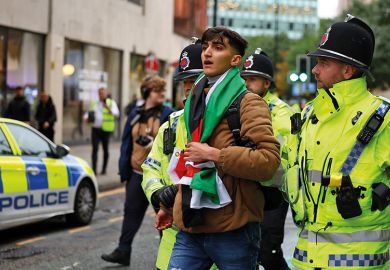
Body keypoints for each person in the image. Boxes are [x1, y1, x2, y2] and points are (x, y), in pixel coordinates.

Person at [154, 27, 280, 270]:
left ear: (235, 60)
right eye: (205, 47)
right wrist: (169, 205)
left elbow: (268, 161)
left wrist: (215, 155)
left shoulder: (248, 102)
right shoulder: (195, 100)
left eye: (218, 47)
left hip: (234, 229)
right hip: (191, 222)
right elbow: (191, 162)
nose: (207, 53)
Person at [285, 15, 390, 269]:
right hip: (305, 260)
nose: (314, 70)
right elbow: (282, 172)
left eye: (323, 62)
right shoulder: (308, 115)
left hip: (359, 263)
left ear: (347, 70)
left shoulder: (383, 119)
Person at [142, 40, 219, 270]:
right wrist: (158, 196)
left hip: (216, 244)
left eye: (192, 80)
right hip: (172, 248)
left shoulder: (224, 122)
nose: (187, 87)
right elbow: (151, 167)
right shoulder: (172, 124)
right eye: (184, 81)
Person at [101, 76, 173, 266]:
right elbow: (126, 142)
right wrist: (123, 170)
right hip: (136, 173)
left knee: (164, 217)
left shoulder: (168, 114)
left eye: (163, 91)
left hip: (159, 178)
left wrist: (154, 145)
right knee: (130, 213)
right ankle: (123, 251)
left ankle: (169, 258)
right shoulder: (135, 114)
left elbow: (172, 144)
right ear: (147, 93)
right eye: (158, 91)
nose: (163, 94)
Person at [241, 48, 293, 270]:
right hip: (247, 188)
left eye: (253, 80)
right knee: (246, 250)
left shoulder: (280, 112)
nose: (247, 84)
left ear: (267, 84)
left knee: (268, 253)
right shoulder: (239, 105)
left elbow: (284, 154)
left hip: (274, 191)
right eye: (245, 79)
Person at [84, 87, 119, 175]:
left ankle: (104, 169)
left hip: (106, 130)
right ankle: (94, 170)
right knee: (95, 149)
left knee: (105, 149)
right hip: (95, 129)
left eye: (103, 93)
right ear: (98, 94)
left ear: (106, 94)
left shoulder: (111, 102)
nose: (102, 95)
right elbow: (87, 114)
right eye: (100, 93)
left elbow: (116, 113)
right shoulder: (94, 103)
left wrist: (108, 108)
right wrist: (86, 118)